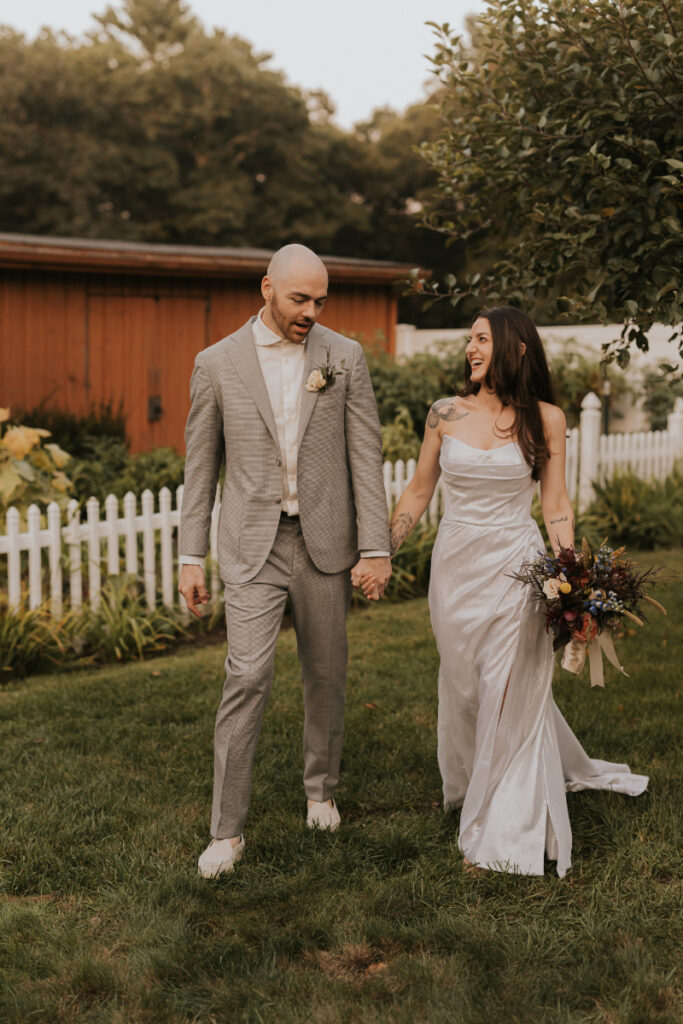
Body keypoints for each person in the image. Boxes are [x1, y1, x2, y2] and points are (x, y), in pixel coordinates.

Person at [362, 306, 647, 876]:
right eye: (468, 339)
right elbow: (419, 492)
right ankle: (474, 781)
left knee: (509, 687)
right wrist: (382, 553)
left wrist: (572, 581)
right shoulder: (443, 413)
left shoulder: (546, 419)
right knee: (465, 684)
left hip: (518, 568)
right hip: (455, 567)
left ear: (516, 349)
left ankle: (506, 833)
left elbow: (556, 505)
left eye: (483, 339)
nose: (470, 348)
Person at [178, 244, 392, 879]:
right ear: (267, 287)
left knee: (325, 672)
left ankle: (320, 791)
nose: (311, 312)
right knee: (246, 677)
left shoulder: (343, 356)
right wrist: (191, 556)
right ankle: (227, 832)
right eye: (300, 298)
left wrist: (375, 547)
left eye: (320, 301)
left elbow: (365, 456)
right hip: (252, 544)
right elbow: (200, 469)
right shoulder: (215, 364)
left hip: (325, 541)